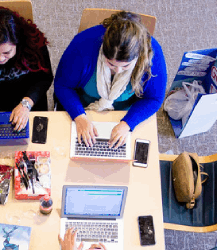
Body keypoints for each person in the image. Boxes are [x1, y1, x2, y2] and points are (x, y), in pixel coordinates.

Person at [53, 11, 167, 148]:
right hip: (83, 107)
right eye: (110, 64)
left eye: (125, 66)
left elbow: (154, 99)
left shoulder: (153, 55)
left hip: (125, 113)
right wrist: (79, 117)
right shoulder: (81, 47)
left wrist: (128, 123)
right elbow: (62, 85)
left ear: (138, 56)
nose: (117, 71)